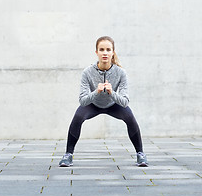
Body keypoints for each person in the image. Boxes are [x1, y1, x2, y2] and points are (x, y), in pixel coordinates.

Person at [59, 36, 148, 167]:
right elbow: (83, 101)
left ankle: (141, 154)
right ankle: (68, 155)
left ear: (113, 52)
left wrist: (112, 93)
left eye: (108, 50)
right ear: (96, 52)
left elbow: (124, 102)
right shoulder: (87, 72)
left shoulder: (121, 73)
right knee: (78, 116)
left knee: (130, 117)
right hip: (93, 104)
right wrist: (96, 92)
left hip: (114, 105)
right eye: (101, 50)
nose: (105, 53)